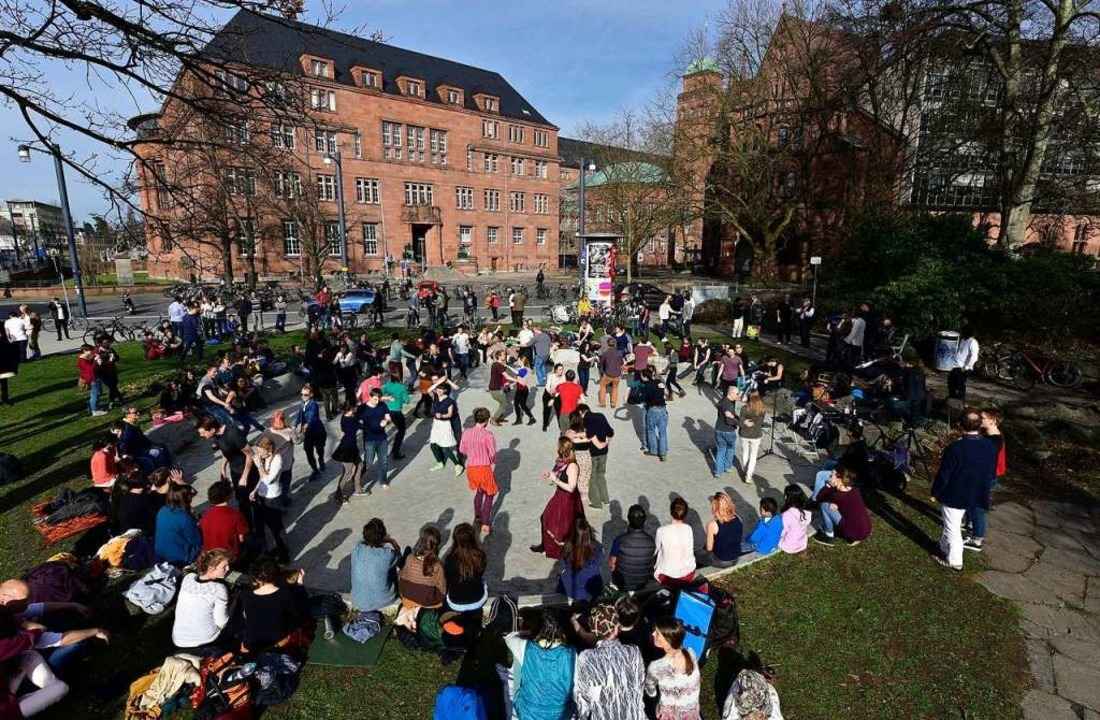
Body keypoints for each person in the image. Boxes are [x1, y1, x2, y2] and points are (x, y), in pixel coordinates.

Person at [931, 407, 997, 570]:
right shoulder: (989, 445)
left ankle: (954, 561)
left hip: (956, 494)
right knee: (951, 524)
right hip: (978, 491)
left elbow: (944, 474)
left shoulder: (955, 448)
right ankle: (943, 546)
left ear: (960, 425)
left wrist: (935, 492)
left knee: (953, 527)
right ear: (979, 425)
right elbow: (990, 470)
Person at [573, 602, 647, 720]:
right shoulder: (634, 652)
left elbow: (582, 697)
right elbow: (640, 684)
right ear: (617, 628)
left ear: (594, 631)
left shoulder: (586, 657)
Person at [505, 608, 577, 720]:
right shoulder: (572, 653)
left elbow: (509, 638)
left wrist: (526, 632)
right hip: (561, 714)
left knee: (516, 673)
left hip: (526, 713)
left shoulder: (522, 646)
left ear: (536, 628)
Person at [197, 415, 257, 524]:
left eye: (203, 433)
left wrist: (244, 477)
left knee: (253, 501)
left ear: (212, 429)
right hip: (235, 471)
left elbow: (250, 454)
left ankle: (260, 531)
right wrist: (223, 468)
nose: (202, 436)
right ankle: (247, 527)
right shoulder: (216, 435)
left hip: (248, 471)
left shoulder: (233, 433)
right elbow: (227, 451)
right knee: (241, 501)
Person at [532, 438, 585, 559]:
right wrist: (551, 475)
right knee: (545, 518)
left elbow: (571, 487)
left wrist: (555, 479)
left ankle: (560, 550)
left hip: (567, 499)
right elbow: (558, 474)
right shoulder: (563, 462)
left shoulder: (572, 466)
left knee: (562, 525)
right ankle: (545, 545)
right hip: (560, 495)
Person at [240, 560, 308, 653]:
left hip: (250, 644)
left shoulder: (246, 595)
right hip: (277, 641)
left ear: (255, 578)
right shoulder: (285, 594)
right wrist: (300, 584)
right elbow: (300, 611)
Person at [172, 549, 232, 651]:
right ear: (211, 568)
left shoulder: (188, 578)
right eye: (224, 567)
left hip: (179, 638)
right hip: (205, 639)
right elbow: (222, 622)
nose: (228, 569)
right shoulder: (218, 589)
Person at [966, 407, 1007, 552]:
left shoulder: (994, 440)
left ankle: (977, 539)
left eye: (982, 418)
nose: (979, 420)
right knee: (972, 503)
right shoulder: (988, 435)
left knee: (979, 507)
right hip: (983, 475)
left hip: (986, 477)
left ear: (993, 421)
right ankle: (971, 526)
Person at [646, 617, 703, 720]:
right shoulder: (691, 653)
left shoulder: (656, 667)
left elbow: (651, 690)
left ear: (668, 641)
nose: (653, 634)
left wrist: (654, 697)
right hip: (690, 714)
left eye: (657, 633)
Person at [812, 465, 873, 548]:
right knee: (832, 506)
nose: (829, 477)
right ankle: (852, 536)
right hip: (865, 530)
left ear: (839, 478)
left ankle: (828, 535)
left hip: (854, 533)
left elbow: (818, 498)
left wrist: (828, 485)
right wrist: (835, 502)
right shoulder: (854, 490)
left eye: (831, 475)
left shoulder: (837, 496)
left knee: (824, 505)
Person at [459, 407, 498, 535]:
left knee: (479, 491)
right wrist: (493, 461)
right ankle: (485, 523)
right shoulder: (488, 435)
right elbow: (492, 454)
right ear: (486, 420)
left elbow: (462, 450)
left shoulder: (466, 432)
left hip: (471, 468)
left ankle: (477, 517)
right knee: (489, 494)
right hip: (483, 468)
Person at [251, 436, 289, 562]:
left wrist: (258, 466)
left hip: (272, 498)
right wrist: (255, 490)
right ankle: (276, 547)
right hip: (262, 496)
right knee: (268, 525)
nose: (259, 454)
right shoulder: (265, 458)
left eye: (261, 451)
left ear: (269, 450)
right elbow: (261, 479)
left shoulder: (277, 459)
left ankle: (284, 554)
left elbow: (268, 479)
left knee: (276, 527)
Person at [351, 518, 401, 612]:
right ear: (383, 537)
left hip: (357, 600)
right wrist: (392, 542)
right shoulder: (387, 554)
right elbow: (399, 558)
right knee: (391, 567)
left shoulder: (357, 549)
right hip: (383, 600)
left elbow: (363, 542)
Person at [608, 504, 657, 591]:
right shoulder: (651, 541)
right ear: (644, 520)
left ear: (629, 519)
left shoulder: (619, 540)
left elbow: (611, 565)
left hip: (623, 584)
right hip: (643, 583)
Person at [398, 525, 447, 611]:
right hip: (428, 602)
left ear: (420, 541)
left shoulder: (410, 558)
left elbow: (402, 576)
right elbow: (442, 589)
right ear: (437, 545)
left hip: (408, 597)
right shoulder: (438, 566)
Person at [199, 480, 249, 562]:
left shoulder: (205, 514)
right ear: (228, 496)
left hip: (210, 553)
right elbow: (241, 538)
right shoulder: (235, 515)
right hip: (228, 555)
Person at [558, 518, 604, 604]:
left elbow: (562, 567)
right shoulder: (598, 548)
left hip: (571, 588)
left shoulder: (567, 547)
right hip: (591, 588)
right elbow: (599, 564)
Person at [444, 522, 488, 612]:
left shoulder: (449, 559)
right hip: (477, 600)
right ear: (473, 539)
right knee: (484, 581)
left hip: (455, 603)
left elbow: (447, 578)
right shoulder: (480, 556)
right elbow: (481, 573)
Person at [154, 484, 202, 566]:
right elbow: (196, 541)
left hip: (160, 551)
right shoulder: (185, 518)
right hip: (180, 557)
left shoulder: (162, 510)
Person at [654, 498, 696, 587]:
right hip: (688, 574)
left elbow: (656, 550)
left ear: (671, 512)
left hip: (667, 577)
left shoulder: (661, 530)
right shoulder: (688, 528)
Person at [578, 404, 613, 510]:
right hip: (604, 452)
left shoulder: (585, 421)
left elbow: (590, 436)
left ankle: (596, 502)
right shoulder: (601, 415)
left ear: (581, 412)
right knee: (601, 475)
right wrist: (606, 444)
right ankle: (605, 499)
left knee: (592, 477)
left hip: (593, 453)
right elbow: (610, 432)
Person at [427, 382, 463, 475]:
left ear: (445, 390)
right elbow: (428, 390)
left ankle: (457, 465)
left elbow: (450, 414)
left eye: (441, 389)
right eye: (437, 389)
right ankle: (440, 462)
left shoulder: (449, 401)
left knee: (445, 446)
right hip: (436, 424)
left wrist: (442, 415)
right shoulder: (435, 397)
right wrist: (439, 382)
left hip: (444, 424)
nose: (438, 391)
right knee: (433, 445)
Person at [295, 383, 327, 480]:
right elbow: (299, 416)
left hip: (317, 431)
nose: (303, 397)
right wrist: (294, 426)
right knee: (308, 451)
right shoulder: (302, 404)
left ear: (311, 395)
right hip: (307, 433)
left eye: (306, 395)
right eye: (302, 394)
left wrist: (306, 425)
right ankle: (315, 470)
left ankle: (321, 460)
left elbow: (312, 416)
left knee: (319, 449)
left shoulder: (314, 404)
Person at [264, 410, 296, 506]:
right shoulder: (290, 431)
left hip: (273, 465)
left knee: (276, 484)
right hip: (286, 464)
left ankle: (278, 501)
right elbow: (297, 440)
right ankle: (284, 501)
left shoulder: (267, 431)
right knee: (285, 483)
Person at [705, 492, 744, 567]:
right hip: (735, 557)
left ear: (715, 507)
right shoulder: (738, 518)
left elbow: (709, 548)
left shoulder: (712, 524)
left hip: (722, 560)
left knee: (699, 555)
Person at [641, 368, 669, 462]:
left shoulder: (646, 386)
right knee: (663, 432)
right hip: (663, 409)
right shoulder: (658, 382)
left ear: (645, 377)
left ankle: (653, 450)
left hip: (652, 409)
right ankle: (663, 453)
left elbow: (643, 400)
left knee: (651, 430)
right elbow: (666, 393)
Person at [738, 392, 766, 483]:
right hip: (756, 435)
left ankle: (745, 470)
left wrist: (745, 422)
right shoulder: (762, 410)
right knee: (753, 456)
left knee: (745, 453)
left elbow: (740, 420)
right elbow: (760, 423)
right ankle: (749, 476)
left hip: (744, 434)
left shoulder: (744, 408)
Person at [714, 383, 740, 478]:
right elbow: (730, 421)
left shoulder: (723, 400)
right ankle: (727, 466)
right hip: (728, 431)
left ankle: (718, 471)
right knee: (730, 449)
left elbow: (718, 405)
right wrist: (738, 422)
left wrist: (734, 416)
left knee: (721, 450)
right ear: (731, 393)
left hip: (718, 429)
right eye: (737, 394)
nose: (738, 396)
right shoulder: (728, 405)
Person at [779, 485, 813, 554]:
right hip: (802, 541)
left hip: (788, 545)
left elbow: (782, 531)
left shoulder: (787, 514)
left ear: (787, 498)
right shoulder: (807, 511)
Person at [948, 326, 979, 402]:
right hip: (955, 366)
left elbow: (974, 356)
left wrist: (966, 367)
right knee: (951, 384)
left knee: (960, 387)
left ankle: (959, 403)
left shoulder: (973, 342)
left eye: (963, 332)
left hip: (962, 368)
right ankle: (952, 401)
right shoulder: (963, 340)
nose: (961, 333)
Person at [508, 355, 537, 425]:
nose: (518, 361)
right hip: (521, 389)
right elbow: (518, 379)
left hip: (522, 390)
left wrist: (508, 366)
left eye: (519, 360)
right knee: (519, 404)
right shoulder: (523, 369)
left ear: (522, 361)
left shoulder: (525, 369)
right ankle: (524, 418)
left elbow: (518, 373)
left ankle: (525, 419)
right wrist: (511, 385)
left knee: (520, 405)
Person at [597, 340, 624, 409]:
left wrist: (601, 371)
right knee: (615, 388)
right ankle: (613, 403)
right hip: (617, 374)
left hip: (608, 373)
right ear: (615, 345)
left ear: (608, 344)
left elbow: (601, 363)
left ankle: (603, 403)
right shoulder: (619, 353)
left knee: (602, 386)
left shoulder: (605, 353)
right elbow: (621, 363)